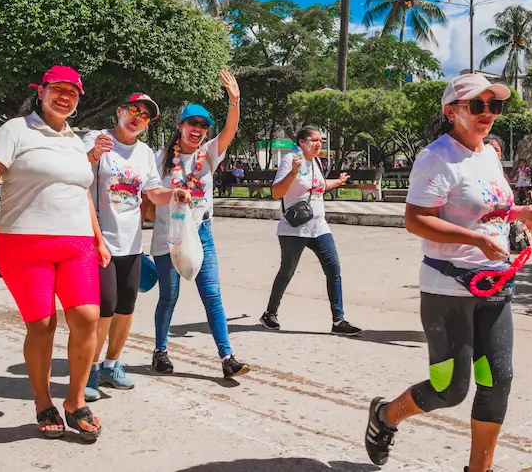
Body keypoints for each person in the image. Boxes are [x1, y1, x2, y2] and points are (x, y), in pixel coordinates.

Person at [363, 73, 532, 472]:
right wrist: (476, 240)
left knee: (497, 381)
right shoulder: (436, 157)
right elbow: (416, 220)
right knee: (450, 389)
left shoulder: (487, 154)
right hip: (448, 288)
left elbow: (490, 208)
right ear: (452, 112)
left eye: (494, 106)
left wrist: (521, 214)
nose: (488, 113)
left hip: (496, 285)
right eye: (477, 105)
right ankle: (384, 416)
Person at [0, 66, 109, 442]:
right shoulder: (15, 130)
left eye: (72, 91)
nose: (65, 96)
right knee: (42, 325)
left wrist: (98, 237)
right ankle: (43, 401)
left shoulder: (75, 140)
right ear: (41, 91)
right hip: (25, 243)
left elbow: (80, 190)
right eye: (57, 89)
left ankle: (74, 401)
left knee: (88, 317)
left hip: (77, 244)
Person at [83, 94, 190, 400]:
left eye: (145, 116)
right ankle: (89, 368)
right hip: (100, 241)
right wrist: (92, 155)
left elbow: (153, 191)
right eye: (134, 111)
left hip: (131, 243)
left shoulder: (144, 153)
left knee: (125, 309)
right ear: (119, 111)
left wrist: (173, 194)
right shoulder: (98, 140)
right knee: (103, 309)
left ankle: (111, 364)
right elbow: (77, 176)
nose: (138, 118)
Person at [148, 70, 250, 379]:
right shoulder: (159, 158)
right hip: (168, 236)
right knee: (169, 296)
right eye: (193, 123)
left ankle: (227, 357)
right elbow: (150, 195)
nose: (198, 130)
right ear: (180, 126)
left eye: (204, 126)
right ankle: (160, 351)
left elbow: (231, 130)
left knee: (212, 294)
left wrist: (235, 100)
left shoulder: (209, 155)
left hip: (202, 233)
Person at [259, 126, 362, 335]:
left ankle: (338, 321)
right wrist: (293, 173)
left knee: (334, 269)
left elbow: (319, 186)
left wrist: (339, 181)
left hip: (319, 226)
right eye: (314, 140)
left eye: (320, 141)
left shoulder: (315, 162)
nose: (319, 144)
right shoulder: (290, 160)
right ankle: (270, 313)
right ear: (302, 142)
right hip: (294, 228)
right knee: (286, 272)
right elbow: (276, 192)